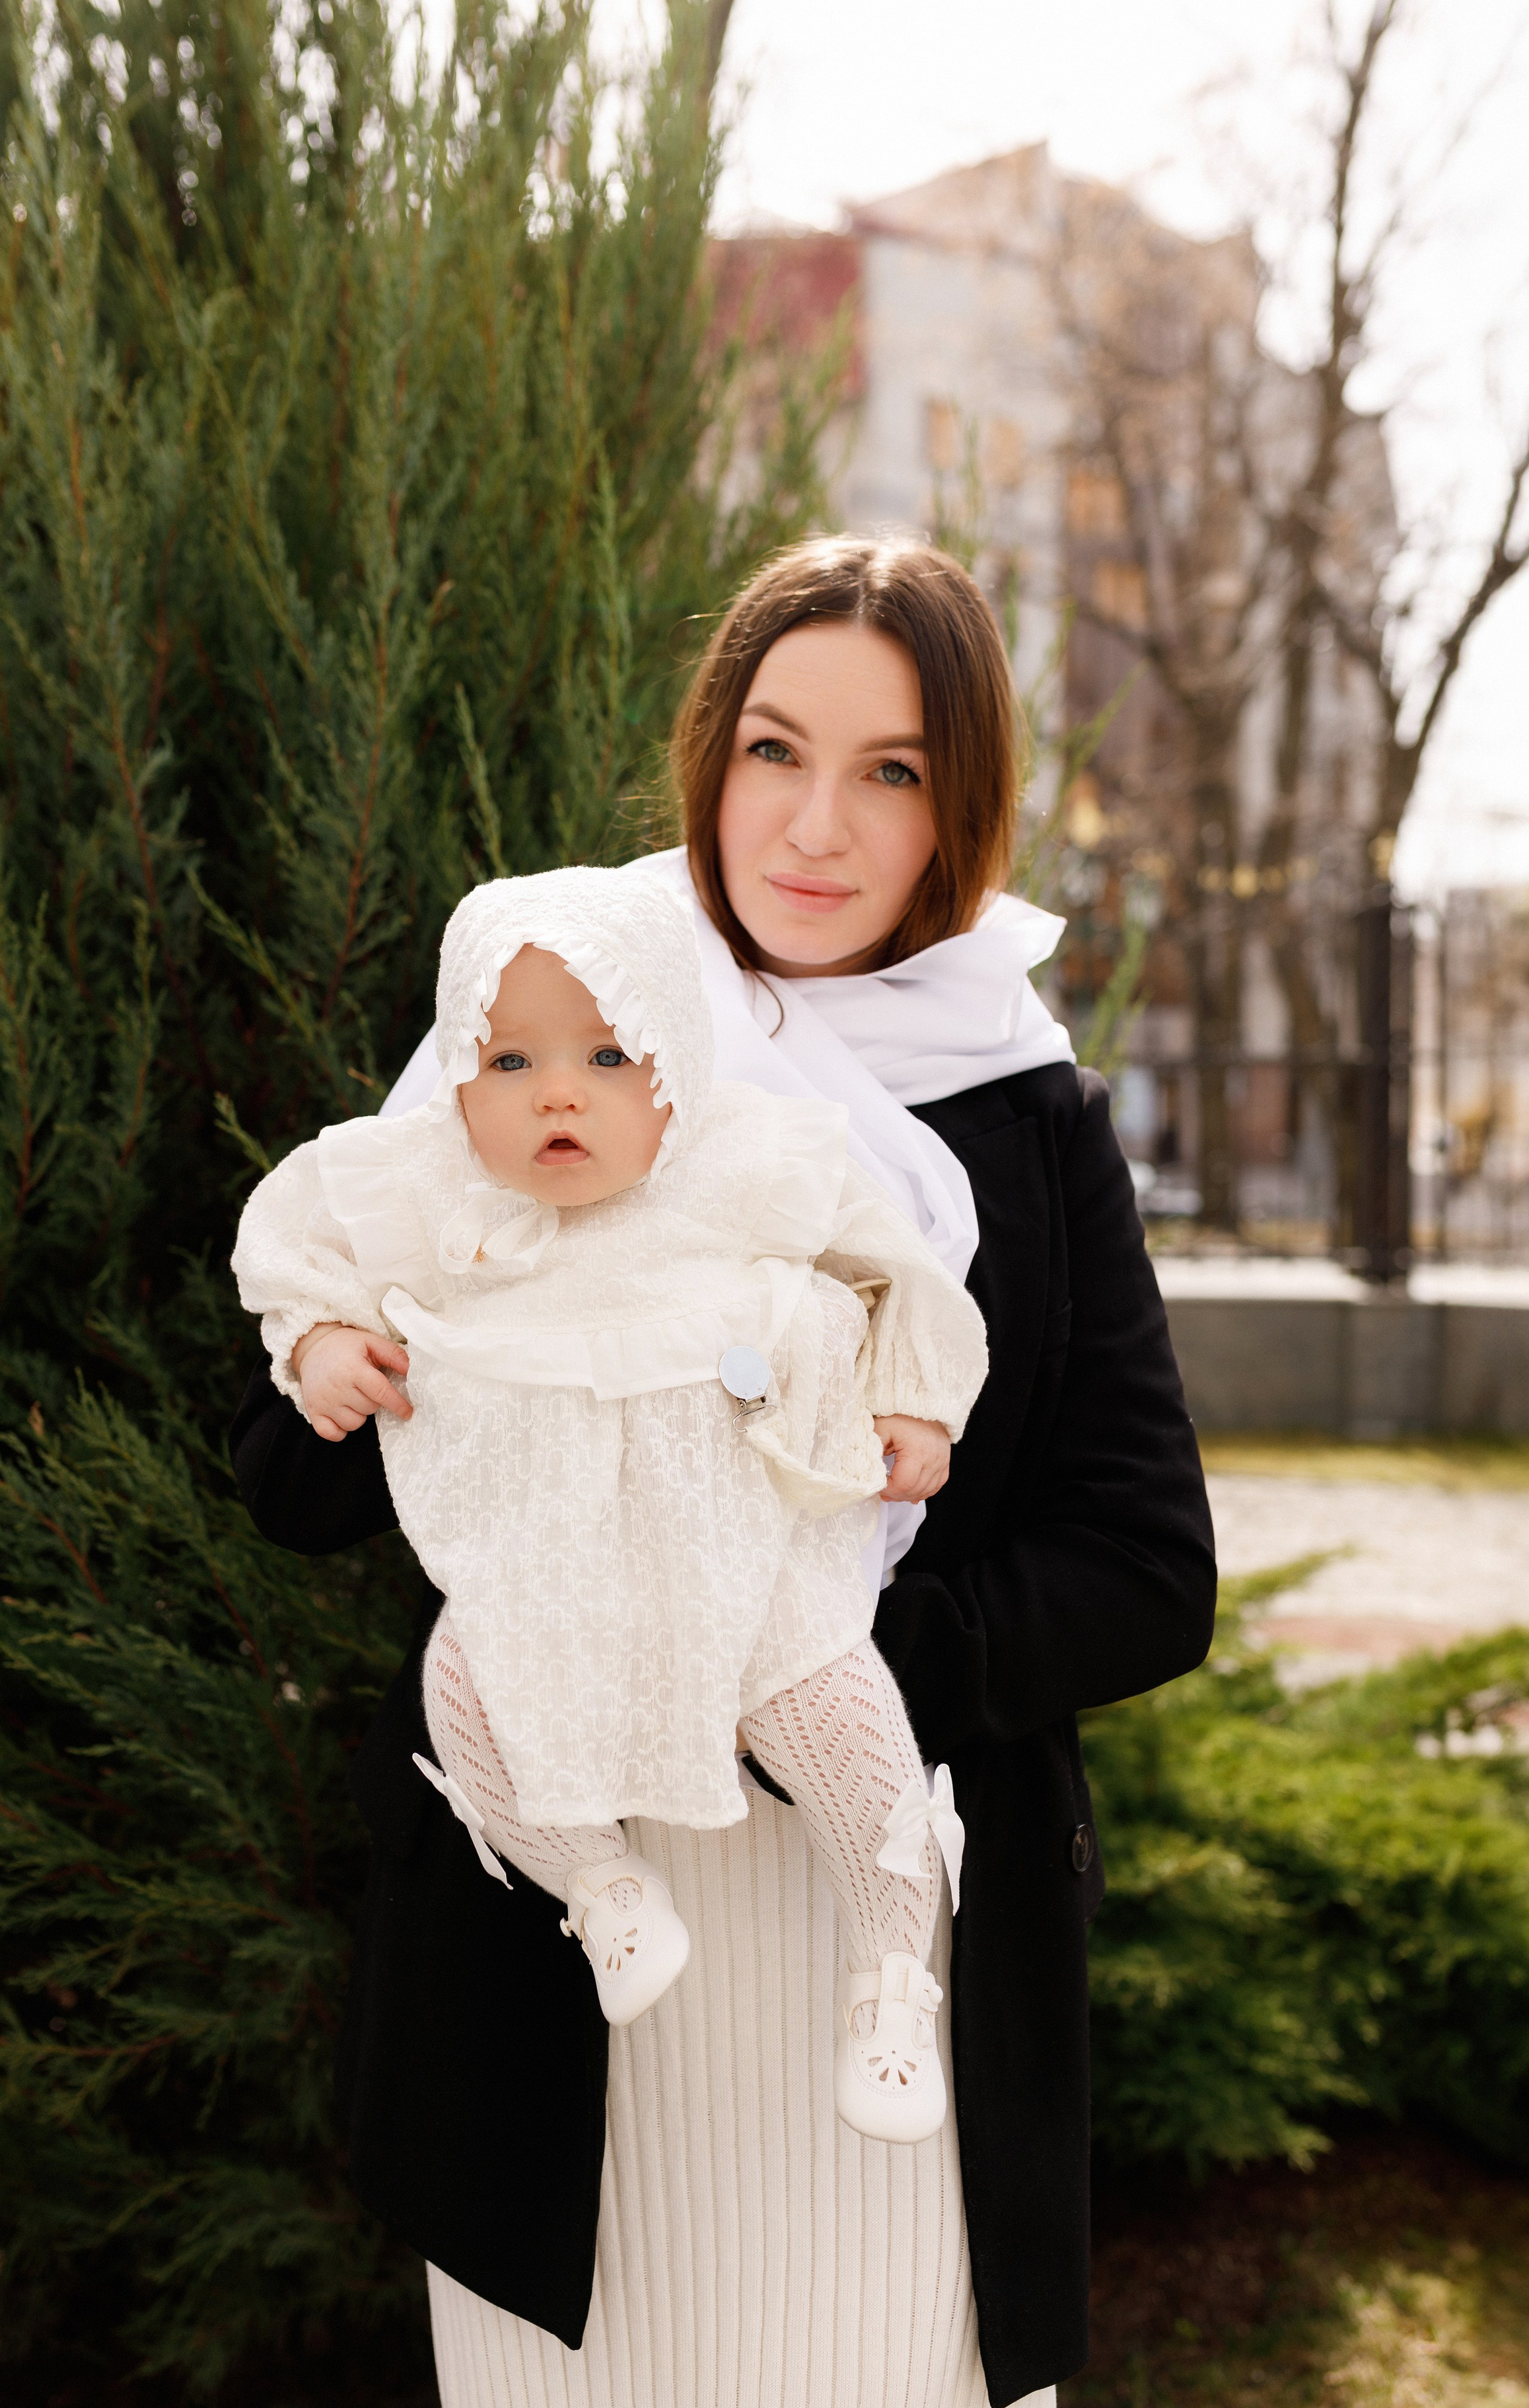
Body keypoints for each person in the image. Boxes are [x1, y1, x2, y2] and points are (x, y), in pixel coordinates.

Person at [228, 535, 1217, 2408]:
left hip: (879, 1963)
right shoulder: (558, 1018)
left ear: (960, 812)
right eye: (776, 749)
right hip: (567, 1969)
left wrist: (788, 1664)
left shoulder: (1027, 1112)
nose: (816, 824)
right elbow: (295, 1480)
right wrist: (364, 1375)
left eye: (892, 770)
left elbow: (1147, 1568)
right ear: (712, 755)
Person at [230, 864, 988, 2140]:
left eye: (606, 1053)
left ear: (677, 1062)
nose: (559, 1092)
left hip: (741, 1552)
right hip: (543, 1556)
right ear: (457, 1074)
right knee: (469, 1698)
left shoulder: (742, 1156)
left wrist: (914, 1398)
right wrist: (318, 1347)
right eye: (509, 1060)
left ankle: (891, 1969)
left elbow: (894, 1265)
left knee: (853, 1729)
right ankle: (601, 1882)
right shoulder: (428, 1182)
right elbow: (291, 1244)